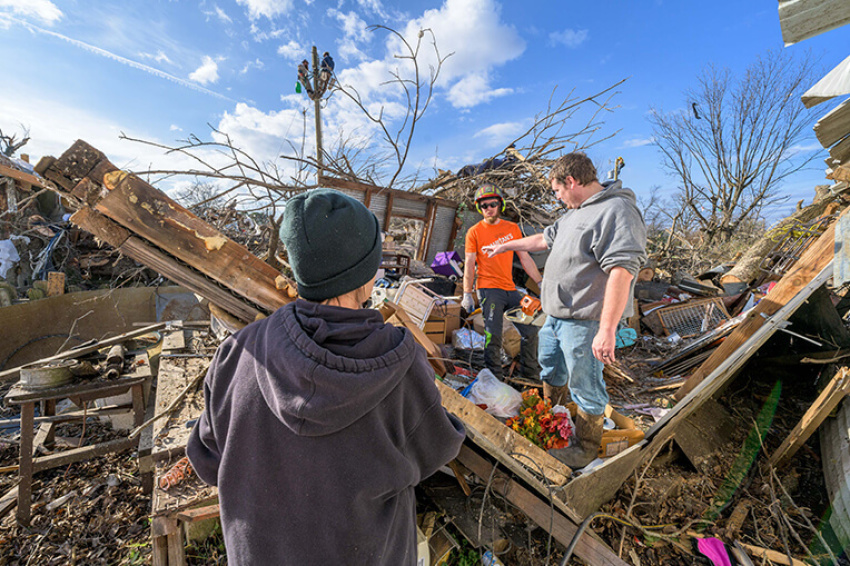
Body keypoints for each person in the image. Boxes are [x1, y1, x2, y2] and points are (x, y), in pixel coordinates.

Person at [187, 188, 465, 565]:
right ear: (366, 275)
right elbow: (436, 449)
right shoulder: (398, 362)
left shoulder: (239, 352)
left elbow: (207, 459)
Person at [483, 153, 646, 468]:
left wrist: (607, 330)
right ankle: (553, 418)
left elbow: (622, 271)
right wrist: (506, 246)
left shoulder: (617, 211)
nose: (557, 197)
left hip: (584, 322)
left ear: (571, 182)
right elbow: (543, 239)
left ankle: (584, 447)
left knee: (585, 384)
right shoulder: (573, 214)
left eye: (558, 190)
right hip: (555, 318)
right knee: (550, 368)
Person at [463, 183, 543, 381]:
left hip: (511, 290)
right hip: (488, 290)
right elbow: (469, 264)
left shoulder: (512, 228)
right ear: (479, 208)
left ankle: (529, 374)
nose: (489, 208)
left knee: (531, 330)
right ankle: (495, 379)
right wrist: (467, 293)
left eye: (492, 204)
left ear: (501, 205)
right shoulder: (474, 232)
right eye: (484, 205)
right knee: (493, 335)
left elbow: (524, 257)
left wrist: (540, 282)